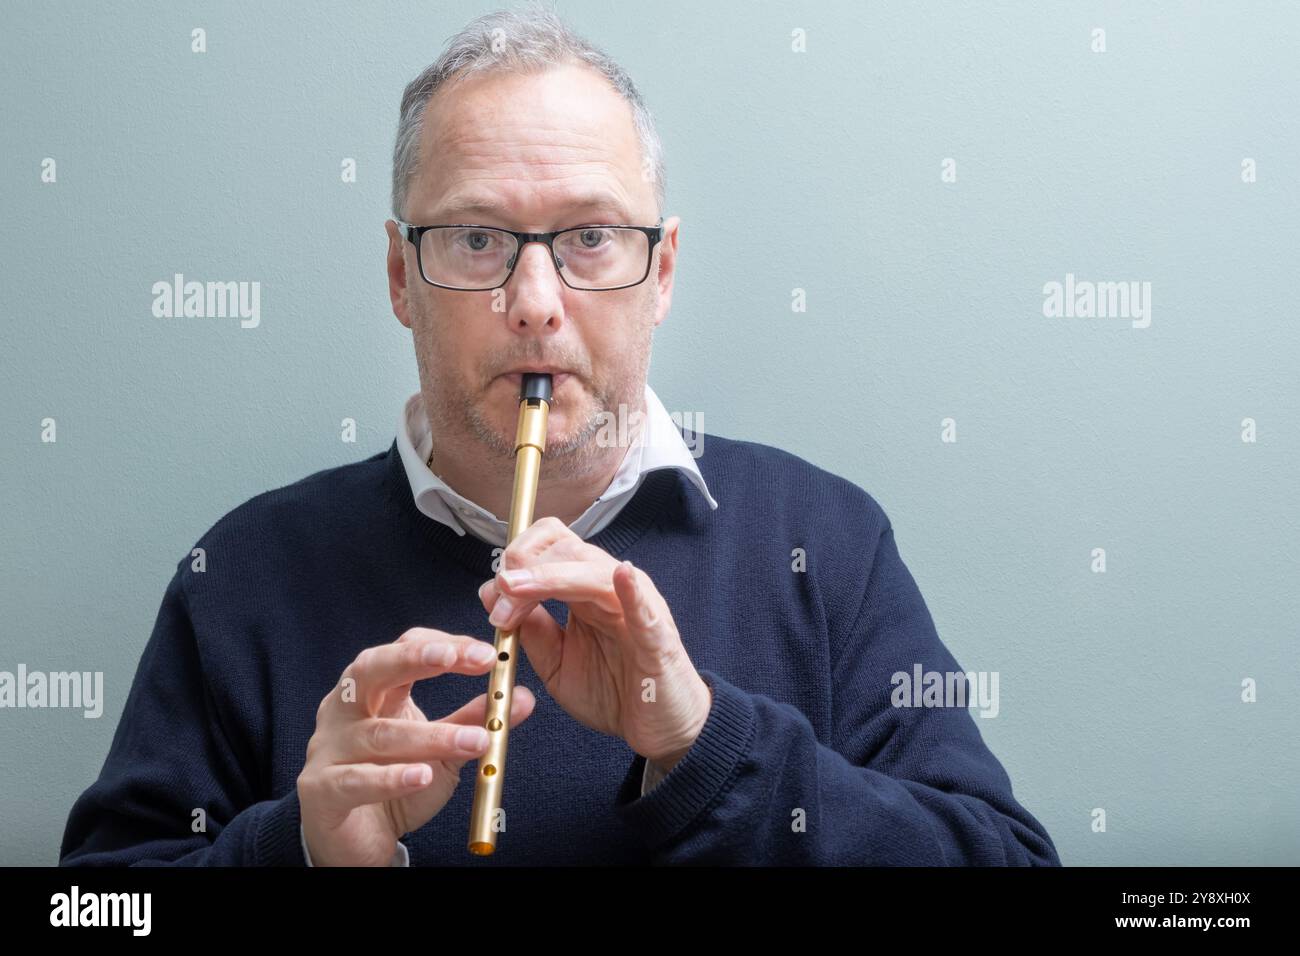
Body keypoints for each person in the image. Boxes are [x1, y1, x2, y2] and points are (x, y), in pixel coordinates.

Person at [59, 4, 1060, 867]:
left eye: (589, 237)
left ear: (660, 272)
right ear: (402, 280)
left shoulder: (825, 540)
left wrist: (708, 745)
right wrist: (299, 847)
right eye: (477, 239)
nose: (534, 302)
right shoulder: (242, 570)